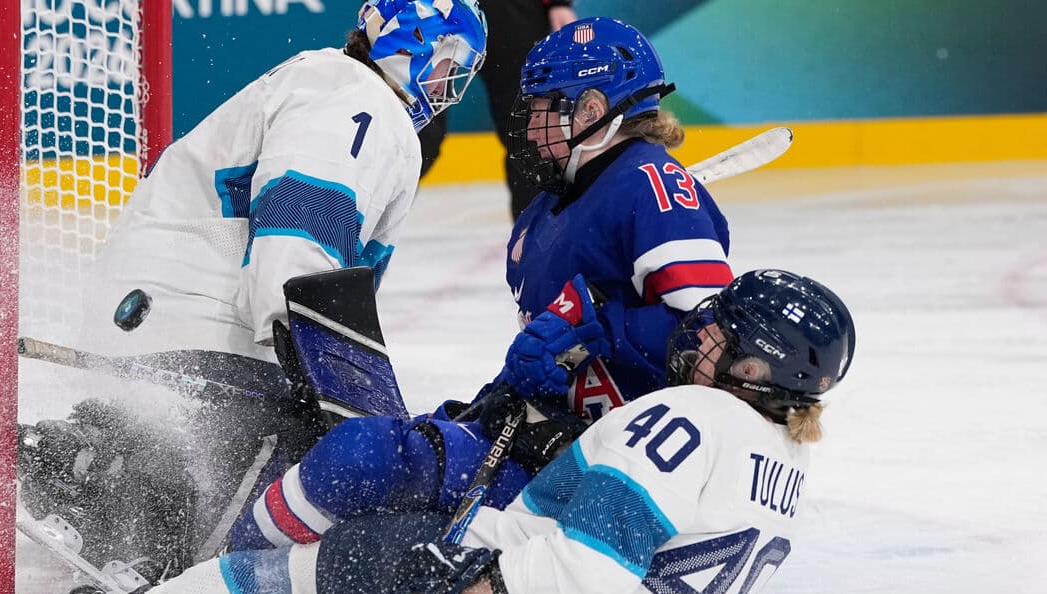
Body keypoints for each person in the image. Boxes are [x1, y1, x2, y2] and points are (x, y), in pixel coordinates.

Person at [31, 268, 857, 594]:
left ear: (759, 367)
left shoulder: (685, 415)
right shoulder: (782, 455)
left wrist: (486, 581)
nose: (703, 333)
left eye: (726, 336)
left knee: (316, 570)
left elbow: (591, 567)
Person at [221, 16, 735, 551]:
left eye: (545, 108)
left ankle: (223, 569)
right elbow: (558, 357)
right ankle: (245, 573)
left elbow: (714, 346)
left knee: (363, 460)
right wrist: (512, 389)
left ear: (592, 111)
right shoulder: (541, 218)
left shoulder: (655, 184)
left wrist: (599, 321)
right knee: (365, 514)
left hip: (624, 477)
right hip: (553, 444)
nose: (532, 127)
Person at [16, 0, 488, 576]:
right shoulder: (360, 102)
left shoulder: (331, 84)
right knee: (280, 519)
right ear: (413, 44)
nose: (448, 84)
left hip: (166, 319)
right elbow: (297, 238)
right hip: (197, 326)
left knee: (292, 487)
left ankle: (91, 456)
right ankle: (101, 474)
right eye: (448, 61)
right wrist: (337, 400)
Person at [419, 0, 578, 219]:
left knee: (531, 135)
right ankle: (363, 221)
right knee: (417, 131)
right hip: (425, 10)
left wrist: (557, 3)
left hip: (511, 14)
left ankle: (533, 239)